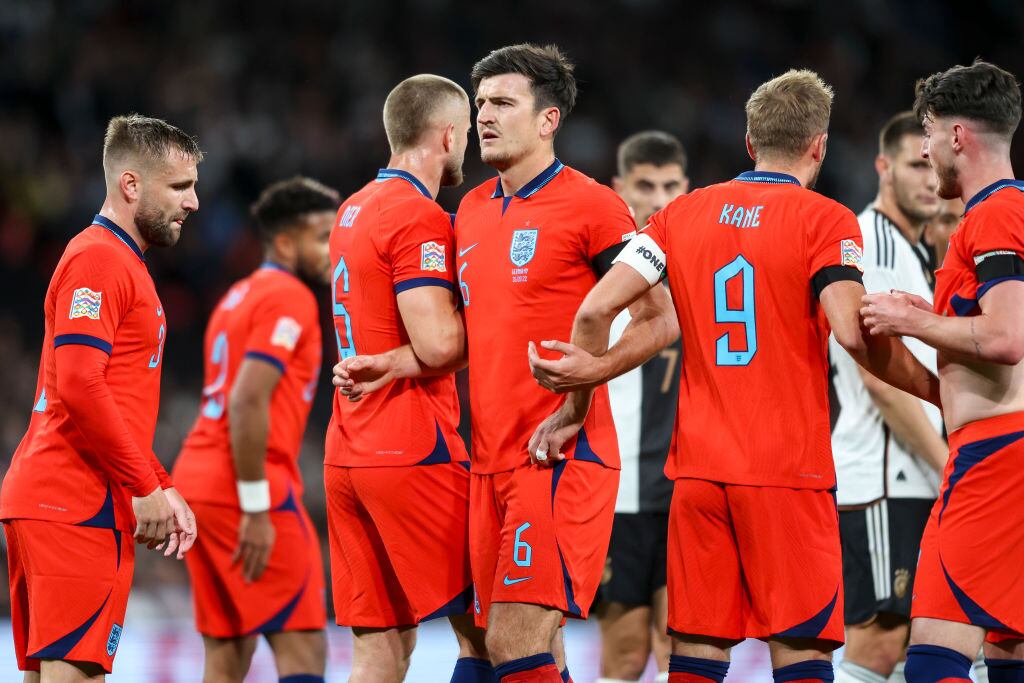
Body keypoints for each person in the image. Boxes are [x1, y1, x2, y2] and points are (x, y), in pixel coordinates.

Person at [527, 69, 940, 683]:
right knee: (801, 653)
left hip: (696, 475)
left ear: (749, 143)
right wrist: (939, 391)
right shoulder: (827, 221)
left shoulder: (679, 216)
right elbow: (853, 334)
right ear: (818, 146)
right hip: (787, 476)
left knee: (696, 654)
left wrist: (579, 397)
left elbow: (594, 310)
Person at [455, 43, 676, 683]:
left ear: (548, 120)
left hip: (556, 456)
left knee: (513, 644)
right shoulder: (468, 210)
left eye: (502, 103)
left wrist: (591, 375)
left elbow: (662, 317)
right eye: (479, 105)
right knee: (499, 650)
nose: (485, 117)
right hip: (487, 461)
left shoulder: (593, 206)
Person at [0, 113, 201, 681]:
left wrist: (159, 483)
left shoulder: (118, 262)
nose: (193, 203)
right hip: (74, 504)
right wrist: (145, 487)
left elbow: (110, 398)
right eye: (180, 187)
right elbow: (81, 385)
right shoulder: (99, 260)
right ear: (131, 185)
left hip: (61, 501)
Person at [861, 59, 1024, 683]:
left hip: (994, 458)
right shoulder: (1008, 210)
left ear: (957, 135)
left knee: (930, 657)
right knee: (1008, 650)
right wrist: (929, 313)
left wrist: (913, 324)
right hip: (1006, 447)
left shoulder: (993, 215)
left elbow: (1007, 337)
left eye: (928, 133)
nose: (926, 151)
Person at [324, 74, 490, 683]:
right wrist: (504, 316)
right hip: (411, 448)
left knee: (381, 650)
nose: (467, 146)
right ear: (447, 135)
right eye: (467, 133)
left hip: (348, 451)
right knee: (493, 634)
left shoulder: (353, 208)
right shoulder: (416, 216)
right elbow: (439, 344)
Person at [172, 177, 339, 683]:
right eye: (322, 237)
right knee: (305, 652)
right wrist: (255, 505)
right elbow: (246, 400)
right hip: (245, 484)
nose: (334, 249)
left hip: (199, 478)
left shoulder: (234, 298)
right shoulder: (290, 297)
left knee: (227, 656)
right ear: (286, 242)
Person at [829, 112, 945, 683]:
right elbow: (879, 379)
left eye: (933, 164)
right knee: (879, 638)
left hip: (910, 470)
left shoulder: (914, 248)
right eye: (913, 165)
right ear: (883, 167)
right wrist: (948, 464)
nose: (929, 179)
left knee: (912, 639)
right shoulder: (868, 241)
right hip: (882, 474)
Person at [598, 131, 689, 683]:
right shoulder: (599, 277)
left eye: (671, 186)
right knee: (626, 653)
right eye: (646, 186)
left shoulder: (704, 268)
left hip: (685, 488)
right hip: (619, 492)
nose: (659, 199)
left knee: (677, 646)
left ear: (688, 187)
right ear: (619, 189)